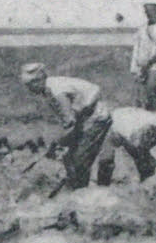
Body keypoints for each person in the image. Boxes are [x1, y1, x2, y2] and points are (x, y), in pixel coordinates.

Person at [20, 63, 114, 192]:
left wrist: (58, 142)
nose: (29, 90)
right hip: (86, 115)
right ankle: (77, 186)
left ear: (37, 81)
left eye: (29, 85)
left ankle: (82, 191)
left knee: (79, 159)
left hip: (96, 116)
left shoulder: (56, 91)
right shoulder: (49, 87)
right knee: (69, 156)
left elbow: (70, 122)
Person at [108, 107, 156, 182]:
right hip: (151, 123)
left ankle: (148, 175)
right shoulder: (123, 130)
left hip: (149, 125)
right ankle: (149, 175)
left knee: (140, 155)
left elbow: (140, 150)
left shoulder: (129, 132)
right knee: (139, 155)